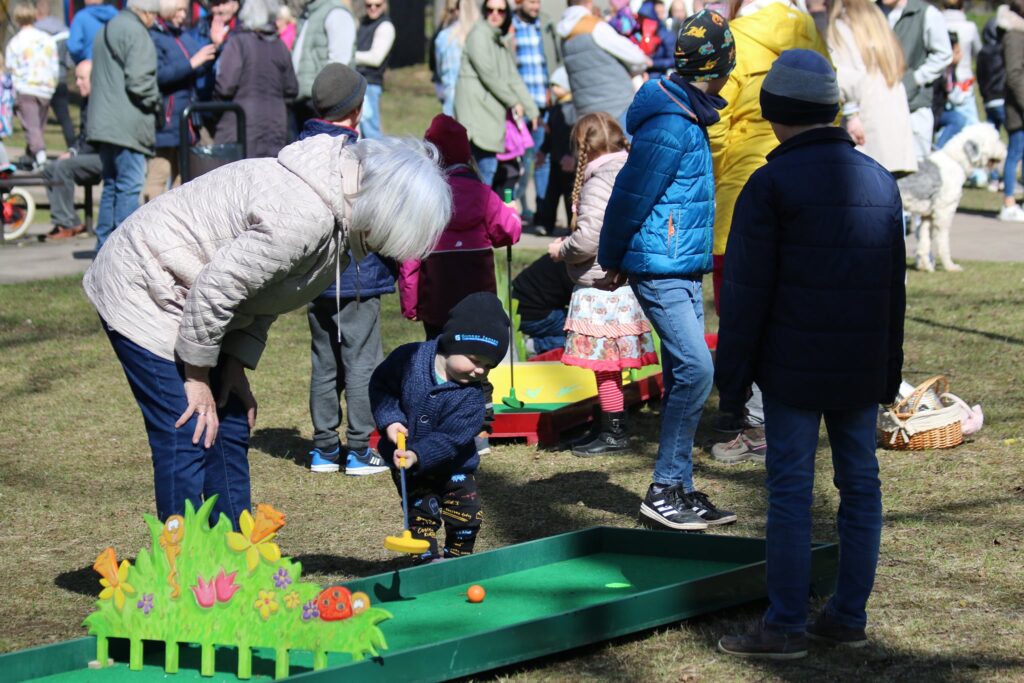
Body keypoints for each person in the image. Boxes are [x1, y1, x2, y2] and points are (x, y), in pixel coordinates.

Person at [83, 135, 452, 527]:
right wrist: (197, 376)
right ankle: (181, 555)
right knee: (186, 426)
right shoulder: (305, 217)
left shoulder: (338, 225)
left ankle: (233, 543)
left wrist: (233, 365)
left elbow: (264, 293)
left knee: (230, 419)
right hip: (145, 282)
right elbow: (218, 287)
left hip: (194, 296)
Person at [716, 49, 905, 659]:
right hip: (860, 365)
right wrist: (888, 373)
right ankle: (847, 616)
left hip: (792, 368)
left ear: (773, 112)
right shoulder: (879, 180)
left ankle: (785, 626)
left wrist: (732, 389)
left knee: (792, 492)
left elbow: (744, 296)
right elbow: (895, 291)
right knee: (861, 486)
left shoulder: (769, 184)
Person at [599, 10, 738, 531]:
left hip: (682, 264)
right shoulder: (671, 123)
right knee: (698, 369)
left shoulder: (689, 113)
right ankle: (662, 489)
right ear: (718, 68)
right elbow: (630, 195)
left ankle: (679, 486)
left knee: (685, 372)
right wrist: (612, 258)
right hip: (659, 267)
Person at [707, 0, 830, 446]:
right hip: (810, 181)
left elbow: (716, 119)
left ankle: (749, 414)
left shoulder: (735, 37)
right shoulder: (807, 29)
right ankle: (783, 407)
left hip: (743, 186)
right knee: (794, 303)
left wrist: (714, 176)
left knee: (740, 310)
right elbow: (829, 103)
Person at [399, 114, 521, 454]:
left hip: (437, 297)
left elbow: (409, 258)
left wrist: (410, 303)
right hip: (478, 302)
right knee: (478, 363)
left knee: (439, 361)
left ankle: (439, 424)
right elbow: (509, 232)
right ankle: (479, 430)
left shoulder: (424, 198)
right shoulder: (483, 195)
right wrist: (511, 212)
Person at [301, 63, 395, 477]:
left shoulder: (297, 153)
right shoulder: (362, 158)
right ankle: (358, 449)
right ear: (356, 110)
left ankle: (324, 448)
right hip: (358, 276)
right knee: (362, 362)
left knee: (324, 361)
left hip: (314, 275)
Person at [548, 112, 658, 457]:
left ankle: (614, 432)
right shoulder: (629, 170)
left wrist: (562, 249)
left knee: (607, 367)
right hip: (624, 281)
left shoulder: (598, 181)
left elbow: (588, 238)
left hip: (601, 285)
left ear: (583, 146)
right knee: (611, 365)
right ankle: (609, 422)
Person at [370, 292, 509, 564]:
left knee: (466, 516)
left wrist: (418, 454)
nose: (480, 371)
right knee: (422, 515)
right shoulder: (409, 359)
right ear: (452, 342)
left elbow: (451, 439)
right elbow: (382, 387)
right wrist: (391, 420)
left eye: (488, 366)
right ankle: (427, 564)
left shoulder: (473, 398)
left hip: (455, 466)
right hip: (407, 463)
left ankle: (458, 560)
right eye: (475, 359)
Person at [88, 0, 161, 251]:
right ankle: (123, 251)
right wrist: (157, 102)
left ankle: (103, 249)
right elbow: (140, 82)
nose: (154, 21)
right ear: (147, 12)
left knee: (111, 186)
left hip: (104, 123)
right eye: (154, 15)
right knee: (129, 186)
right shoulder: (136, 32)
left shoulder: (106, 28)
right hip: (127, 124)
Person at [454, 0, 539, 187]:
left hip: (491, 119)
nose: (495, 14)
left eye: (500, 11)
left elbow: (513, 77)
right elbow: (489, 75)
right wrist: (514, 101)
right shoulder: (479, 35)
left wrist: (532, 110)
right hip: (477, 121)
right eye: (490, 9)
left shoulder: (497, 40)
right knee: (483, 177)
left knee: (490, 175)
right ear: (484, 11)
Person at [826, 0, 917, 174]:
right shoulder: (877, 20)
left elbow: (843, 75)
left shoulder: (840, 26)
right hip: (893, 113)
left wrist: (851, 114)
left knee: (865, 182)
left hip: (865, 115)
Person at [146, 0, 216, 200]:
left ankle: (174, 214)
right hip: (167, 116)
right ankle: (149, 215)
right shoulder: (155, 37)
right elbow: (160, 75)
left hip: (186, 117)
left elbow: (198, 67)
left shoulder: (183, 36)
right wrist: (191, 64)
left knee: (184, 176)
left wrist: (215, 48)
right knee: (159, 172)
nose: (183, 15)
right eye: (179, 10)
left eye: (185, 11)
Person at [215, 0, 298, 159]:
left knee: (239, 172)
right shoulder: (280, 47)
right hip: (276, 125)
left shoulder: (238, 42)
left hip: (241, 125)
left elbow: (225, 86)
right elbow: (291, 88)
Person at [556, 0, 649, 130]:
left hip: (588, 115)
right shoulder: (595, 27)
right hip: (618, 107)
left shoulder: (564, 36)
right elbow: (637, 57)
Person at [879, 0, 953, 160]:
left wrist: (915, 79)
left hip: (914, 108)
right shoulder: (872, 12)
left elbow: (944, 55)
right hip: (878, 109)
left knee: (916, 169)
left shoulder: (927, 14)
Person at [511, 0, 562, 222]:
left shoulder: (545, 25)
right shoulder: (510, 25)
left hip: (544, 104)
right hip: (519, 106)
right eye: (531, 2)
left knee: (542, 158)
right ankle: (512, 209)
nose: (536, 7)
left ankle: (543, 212)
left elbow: (555, 60)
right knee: (518, 161)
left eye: (538, 2)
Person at [41, 60, 101, 240]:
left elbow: (95, 139)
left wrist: (74, 154)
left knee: (63, 167)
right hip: (87, 154)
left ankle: (67, 223)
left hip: (103, 156)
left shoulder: (101, 103)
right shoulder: (86, 101)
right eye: (76, 78)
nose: (77, 83)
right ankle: (66, 221)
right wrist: (72, 150)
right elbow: (82, 136)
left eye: (82, 78)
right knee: (49, 169)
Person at [4, 2, 58, 169]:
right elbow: (54, 64)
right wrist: (53, 84)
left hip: (26, 88)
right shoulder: (47, 39)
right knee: (38, 125)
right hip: (46, 87)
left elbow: (10, 68)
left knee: (32, 126)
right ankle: (31, 156)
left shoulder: (15, 42)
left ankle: (40, 158)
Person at [291, 0, 356, 126]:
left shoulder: (336, 12)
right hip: (303, 99)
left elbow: (339, 64)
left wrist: (324, 98)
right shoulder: (308, 13)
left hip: (321, 104)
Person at [533, 66, 576, 236]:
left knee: (570, 197)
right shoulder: (555, 109)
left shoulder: (573, 109)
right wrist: (543, 151)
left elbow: (574, 136)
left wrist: (573, 155)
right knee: (551, 195)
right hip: (555, 161)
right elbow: (550, 135)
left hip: (569, 163)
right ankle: (546, 224)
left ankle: (572, 226)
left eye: (557, 85)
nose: (553, 89)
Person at [511, 253, 575, 355]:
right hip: (532, 316)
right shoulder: (577, 267)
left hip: (518, 305)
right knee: (586, 335)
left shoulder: (564, 252)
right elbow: (581, 304)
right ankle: (535, 345)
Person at [34, 0, 75, 149]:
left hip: (40, 81)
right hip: (60, 78)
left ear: (37, 13)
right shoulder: (64, 30)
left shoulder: (35, 31)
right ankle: (73, 147)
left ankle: (35, 151)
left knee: (36, 120)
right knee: (65, 118)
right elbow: (70, 60)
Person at [999, 0, 1024, 222]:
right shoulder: (1014, 34)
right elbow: (1014, 75)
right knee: (1015, 150)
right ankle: (1008, 202)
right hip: (1018, 107)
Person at [354, 0, 395, 139]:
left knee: (370, 132)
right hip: (357, 82)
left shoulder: (386, 26)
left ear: (384, 4)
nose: (373, 8)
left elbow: (376, 58)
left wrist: (349, 55)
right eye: (368, 5)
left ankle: (380, 154)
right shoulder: (362, 22)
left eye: (377, 5)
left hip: (370, 84)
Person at [433, 0, 478, 116]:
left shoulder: (444, 37)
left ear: (457, 11)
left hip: (450, 101)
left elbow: (439, 70)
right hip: (475, 104)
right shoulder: (480, 37)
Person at [941, 0, 981, 127]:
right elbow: (979, 52)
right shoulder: (970, 27)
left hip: (942, 84)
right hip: (964, 84)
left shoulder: (938, 25)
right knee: (972, 128)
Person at [977, 16, 1007, 136]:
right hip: (1002, 98)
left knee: (990, 138)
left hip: (988, 101)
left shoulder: (982, 53)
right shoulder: (1003, 51)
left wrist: (984, 96)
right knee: (1017, 137)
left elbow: (980, 78)